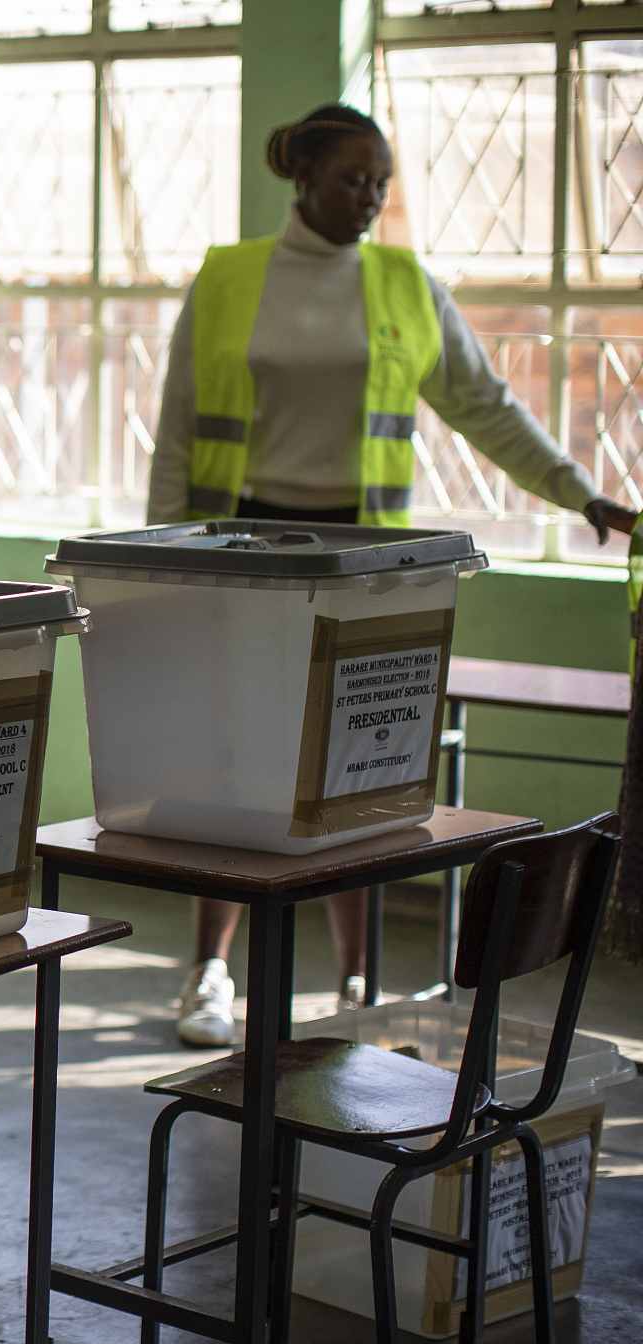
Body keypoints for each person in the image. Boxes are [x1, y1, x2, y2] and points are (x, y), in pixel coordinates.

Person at [149, 102, 637, 1048]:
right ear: (304, 180)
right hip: (243, 555)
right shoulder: (229, 277)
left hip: (366, 562)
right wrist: (166, 560)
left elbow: (486, 407)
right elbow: (178, 430)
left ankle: (359, 985)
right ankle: (210, 973)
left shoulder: (406, 285)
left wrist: (581, 494)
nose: (370, 198)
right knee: (233, 765)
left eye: (382, 182)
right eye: (352, 180)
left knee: (360, 774)